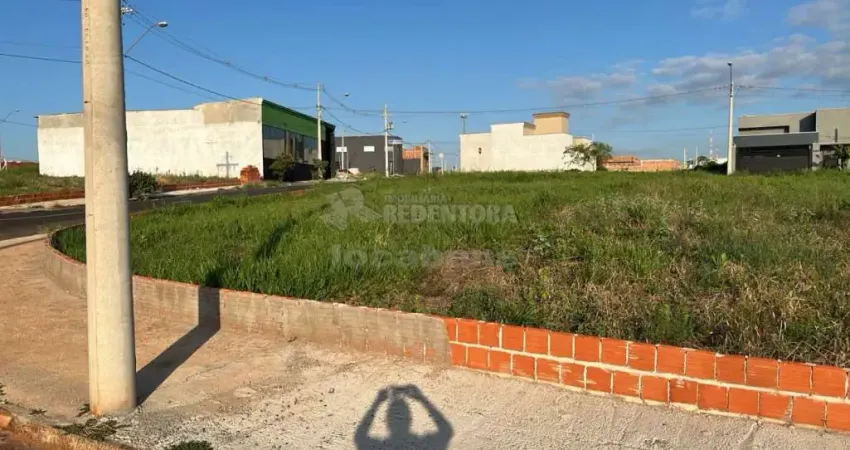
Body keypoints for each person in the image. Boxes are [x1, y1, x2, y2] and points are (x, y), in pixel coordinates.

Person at [354, 385, 453, 450]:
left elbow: (359, 437)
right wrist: (422, 399)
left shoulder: (381, 447)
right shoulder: (421, 445)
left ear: (387, 422)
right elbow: (446, 431)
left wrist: (377, 402)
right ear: (410, 420)